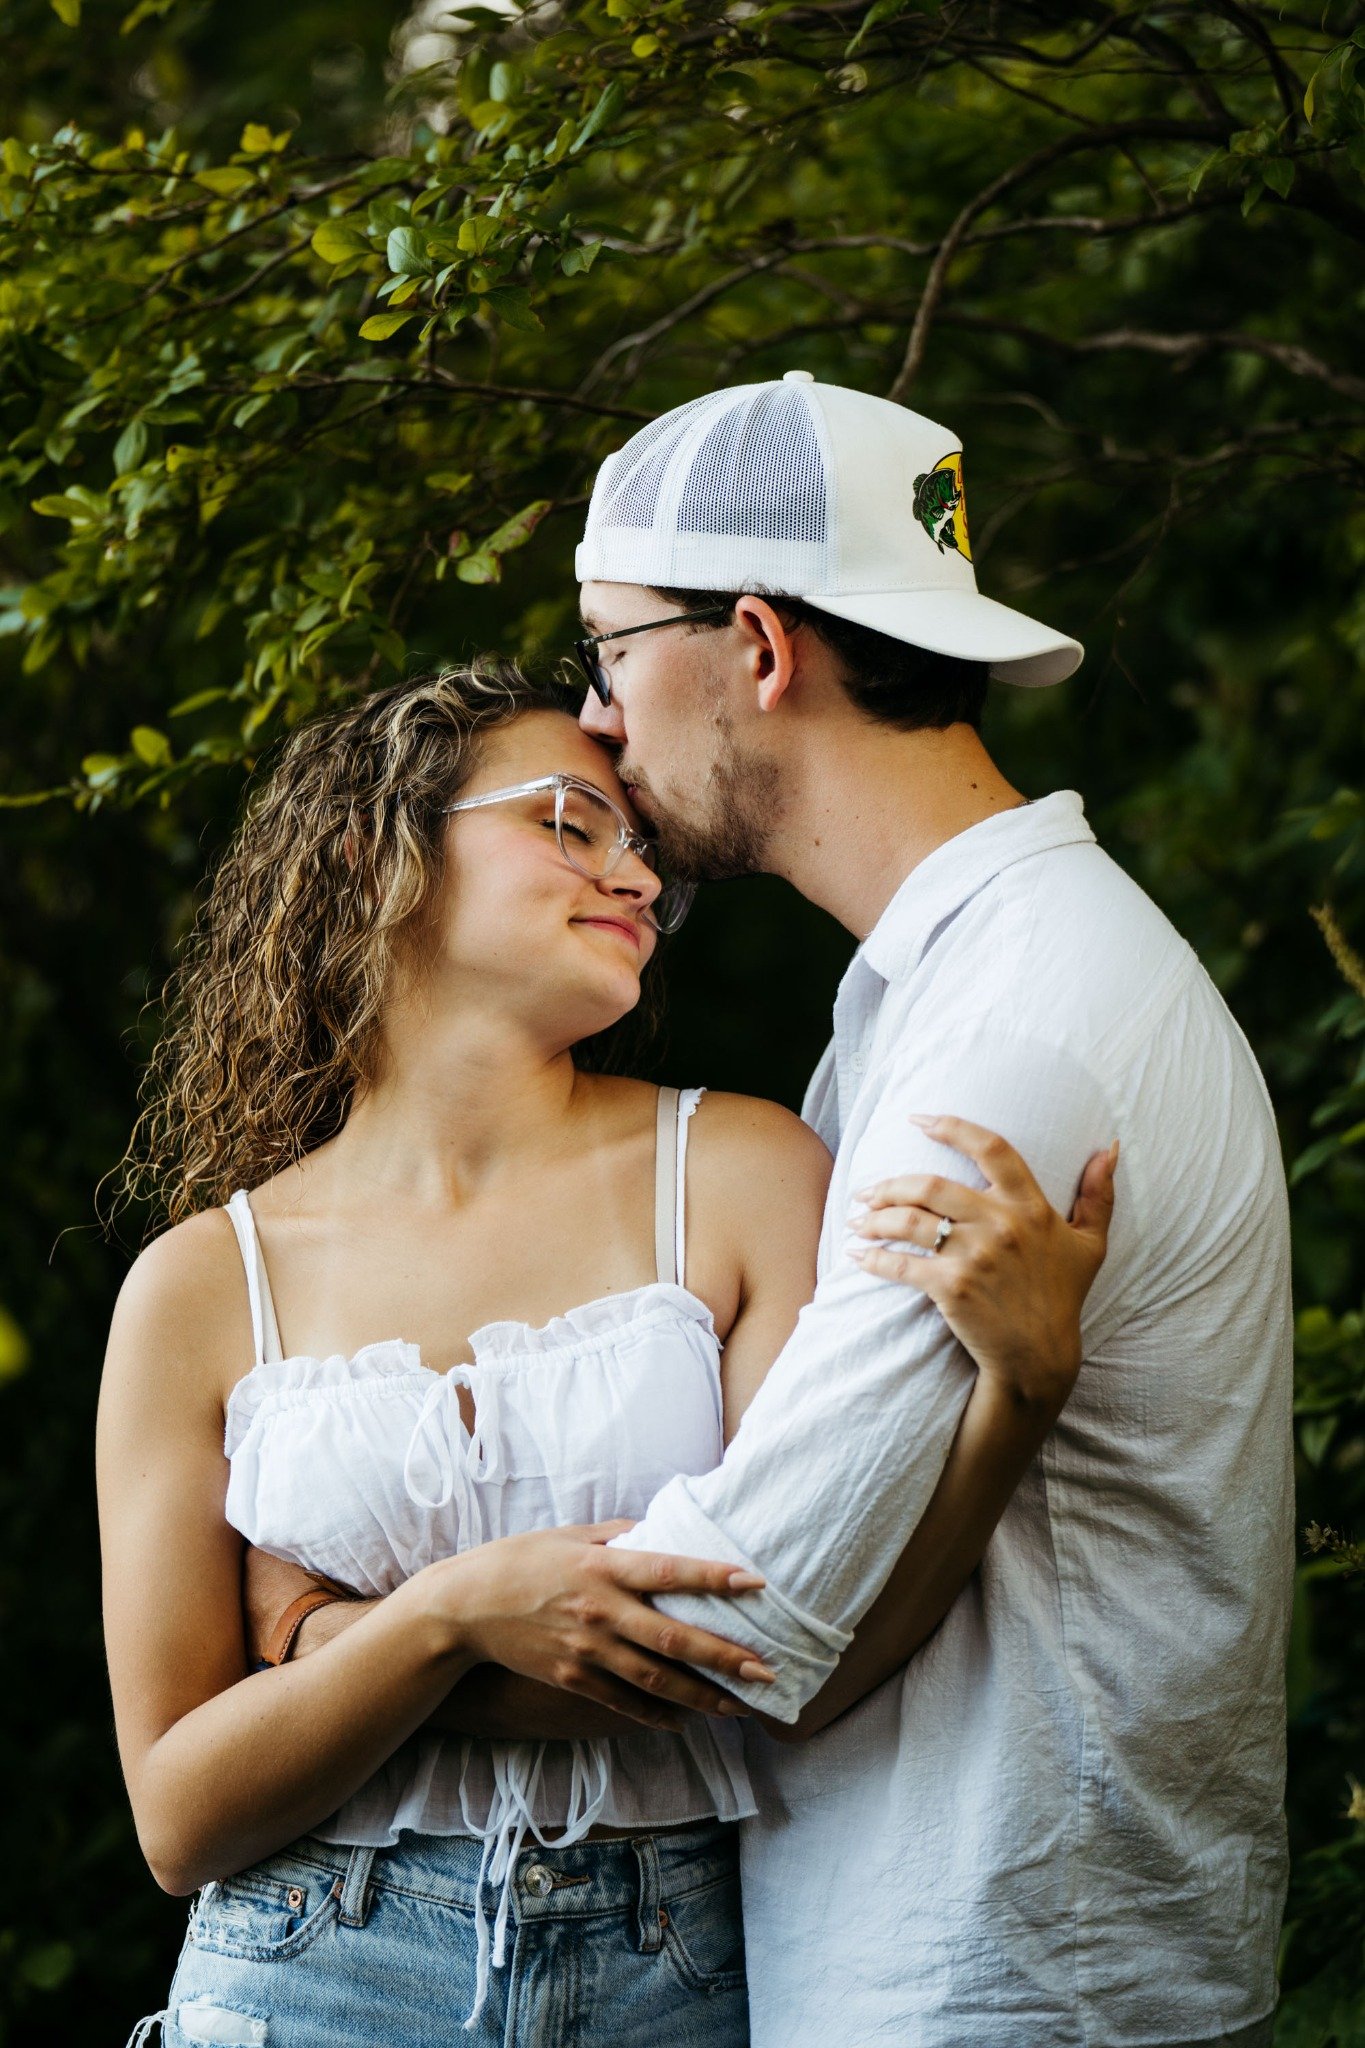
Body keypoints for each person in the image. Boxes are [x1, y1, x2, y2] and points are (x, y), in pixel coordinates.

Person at [101, 662, 1115, 2048]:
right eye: (569, 824)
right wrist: (446, 1615)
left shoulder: (744, 1170)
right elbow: (178, 1812)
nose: (634, 876)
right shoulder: (206, 1285)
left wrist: (1021, 1394)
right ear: (373, 855)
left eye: (640, 846)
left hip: (672, 1964)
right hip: (306, 1963)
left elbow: (794, 1660)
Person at [553, 370, 1293, 2047]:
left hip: (1012, 1979)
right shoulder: (943, 990)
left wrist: (323, 1642)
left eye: (606, 653)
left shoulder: (1015, 1035)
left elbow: (738, 1610)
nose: (594, 720)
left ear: (755, 643)